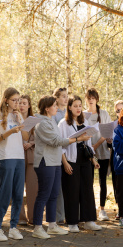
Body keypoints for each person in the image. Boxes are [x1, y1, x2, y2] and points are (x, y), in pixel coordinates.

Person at [32, 95, 91, 239]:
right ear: (47, 108)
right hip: (45, 162)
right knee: (43, 195)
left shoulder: (51, 121)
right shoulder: (42, 123)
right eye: (54, 105)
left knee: (53, 195)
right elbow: (56, 141)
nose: (57, 107)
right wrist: (78, 139)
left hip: (55, 161)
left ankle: (52, 226)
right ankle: (37, 228)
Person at [59, 95, 102, 233]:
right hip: (71, 160)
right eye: (75, 106)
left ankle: (89, 220)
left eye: (80, 106)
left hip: (85, 160)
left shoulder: (86, 122)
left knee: (87, 190)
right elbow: (61, 145)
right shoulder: (63, 124)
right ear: (69, 107)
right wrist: (65, 163)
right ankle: (72, 222)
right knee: (72, 191)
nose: (78, 109)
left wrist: (93, 160)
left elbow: (88, 144)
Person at [0, 87, 29, 241]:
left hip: (19, 157)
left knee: (19, 194)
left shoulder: (18, 115)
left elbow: (25, 136)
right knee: (5, 195)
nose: (17, 103)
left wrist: (21, 121)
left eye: (18, 101)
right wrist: (10, 132)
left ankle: (13, 227)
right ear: (6, 100)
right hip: (6, 158)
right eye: (14, 100)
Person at [84, 88, 112, 221]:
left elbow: (107, 132)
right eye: (88, 98)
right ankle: (89, 209)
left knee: (102, 182)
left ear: (96, 99)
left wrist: (95, 146)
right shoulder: (83, 114)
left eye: (93, 98)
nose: (90, 101)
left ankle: (102, 210)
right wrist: (90, 148)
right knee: (88, 182)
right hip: (87, 153)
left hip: (102, 152)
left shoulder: (104, 113)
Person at [19, 94, 39, 225]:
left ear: (29, 105)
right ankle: (20, 218)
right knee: (18, 188)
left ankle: (33, 217)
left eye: (24, 103)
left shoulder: (35, 120)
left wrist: (31, 143)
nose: (21, 106)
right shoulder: (14, 119)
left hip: (32, 155)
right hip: (18, 155)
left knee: (33, 189)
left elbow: (42, 137)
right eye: (19, 103)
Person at [52, 87, 68, 224]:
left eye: (67, 96)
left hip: (71, 152)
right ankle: (59, 216)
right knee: (58, 187)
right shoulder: (54, 113)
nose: (66, 98)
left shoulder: (70, 112)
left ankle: (71, 214)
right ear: (56, 98)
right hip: (57, 152)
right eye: (63, 96)